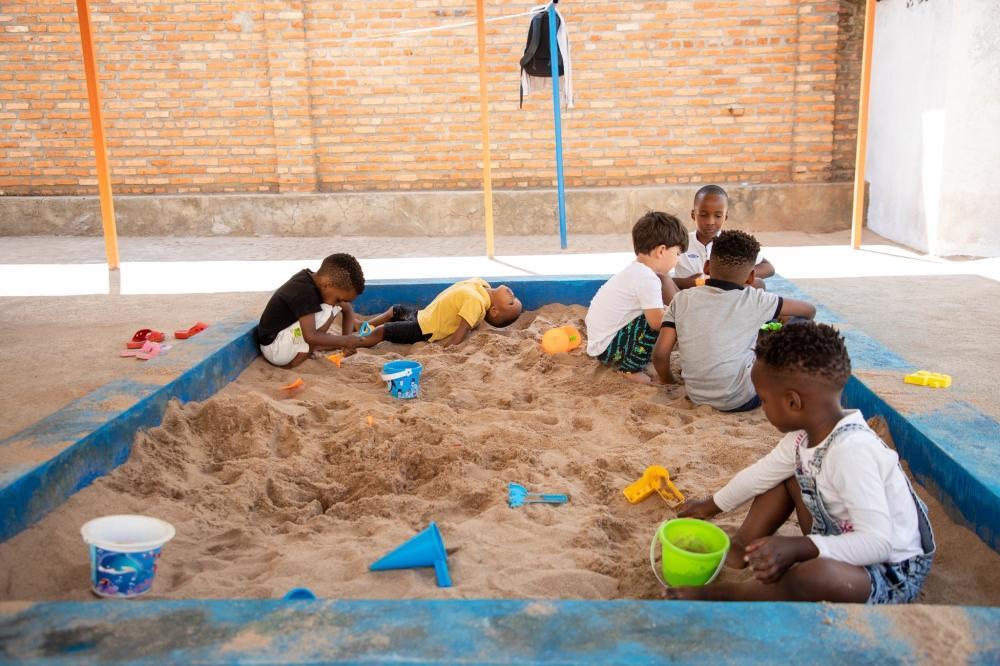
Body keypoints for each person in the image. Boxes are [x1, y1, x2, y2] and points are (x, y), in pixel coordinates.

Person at [668, 322, 936, 603]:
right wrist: (710, 505)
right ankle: (741, 549)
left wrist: (798, 547)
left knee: (816, 576)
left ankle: (729, 594)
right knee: (782, 477)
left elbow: (877, 544)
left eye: (764, 400)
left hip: (886, 572)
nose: (763, 406)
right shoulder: (803, 437)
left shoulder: (852, 452)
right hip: (835, 535)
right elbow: (759, 475)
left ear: (793, 403)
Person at [653, 229, 815, 411]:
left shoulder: (682, 299)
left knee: (759, 328)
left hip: (697, 396)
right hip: (743, 399)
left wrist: (668, 380)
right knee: (800, 323)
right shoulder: (756, 299)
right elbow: (809, 310)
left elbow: (660, 355)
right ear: (751, 277)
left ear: (706, 267)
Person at [584, 211, 687, 384]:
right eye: (677, 253)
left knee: (660, 312)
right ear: (661, 250)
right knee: (662, 321)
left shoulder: (635, 272)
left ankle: (637, 361)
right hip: (610, 349)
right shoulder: (647, 279)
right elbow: (656, 322)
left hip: (602, 345)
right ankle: (630, 369)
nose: (679, 260)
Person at [256, 253, 365, 368]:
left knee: (335, 308)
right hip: (276, 349)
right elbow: (310, 336)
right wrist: (345, 340)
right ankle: (293, 363)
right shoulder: (304, 292)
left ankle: (311, 347)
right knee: (326, 313)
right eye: (338, 299)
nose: (339, 303)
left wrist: (346, 341)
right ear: (328, 285)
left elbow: (347, 309)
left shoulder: (315, 281)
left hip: (286, 338)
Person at [351, 278, 522, 348]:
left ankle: (356, 342)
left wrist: (446, 348)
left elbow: (461, 331)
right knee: (394, 310)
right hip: (425, 315)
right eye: (514, 298)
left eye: (511, 302)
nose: (512, 295)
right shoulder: (482, 285)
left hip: (424, 329)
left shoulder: (477, 302)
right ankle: (363, 325)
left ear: (494, 310)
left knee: (384, 331)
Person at [672, 185, 775, 290]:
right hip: (690, 295)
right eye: (703, 215)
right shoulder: (680, 242)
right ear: (693, 215)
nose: (710, 222)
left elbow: (768, 268)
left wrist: (734, 275)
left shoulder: (731, 242)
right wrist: (685, 282)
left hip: (726, 295)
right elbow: (661, 278)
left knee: (757, 284)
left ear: (725, 216)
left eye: (718, 216)